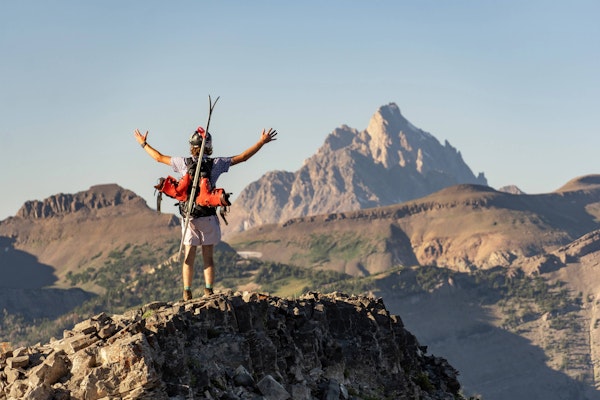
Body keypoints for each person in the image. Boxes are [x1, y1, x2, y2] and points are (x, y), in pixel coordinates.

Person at [133, 126, 277, 301]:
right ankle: (208, 291)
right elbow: (243, 158)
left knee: (189, 255)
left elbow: (158, 158)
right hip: (207, 216)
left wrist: (143, 143)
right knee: (208, 257)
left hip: (189, 218)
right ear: (208, 146)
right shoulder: (216, 164)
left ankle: (187, 292)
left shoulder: (182, 163)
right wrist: (262, 142)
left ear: (191, 145)